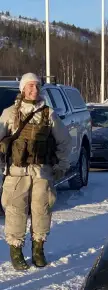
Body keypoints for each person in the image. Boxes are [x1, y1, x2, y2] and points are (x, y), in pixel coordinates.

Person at [0, 73, 71, 270]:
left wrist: (61, 165)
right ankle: (16, 252)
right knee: (15, 211)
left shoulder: (49, 114)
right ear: (22, 89)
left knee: (42, 210)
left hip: (42, 171)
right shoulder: (10, 113)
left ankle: (38, 251)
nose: (34, 90)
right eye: (30, 86)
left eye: (37, 86)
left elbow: (64, 141)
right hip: (16, 172)